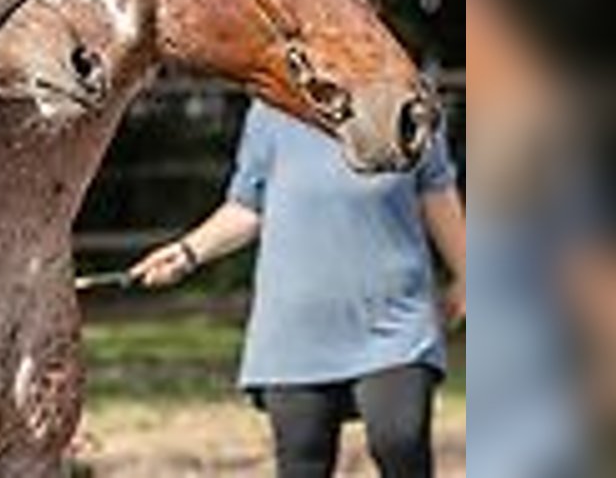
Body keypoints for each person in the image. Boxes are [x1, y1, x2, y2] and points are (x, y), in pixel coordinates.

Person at [130, 100, 466, 478]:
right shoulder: (271, 109)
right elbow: (247, 207)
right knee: (302, 461)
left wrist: (467, 275)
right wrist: (187, 252)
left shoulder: (405, 97)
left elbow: (437, 189)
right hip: (295, 331)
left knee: (400, 443)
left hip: (394, 320)